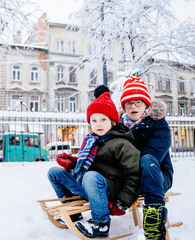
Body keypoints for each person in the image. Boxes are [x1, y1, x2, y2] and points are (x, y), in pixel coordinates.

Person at [47, 89, 140, 238]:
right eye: (94, 120)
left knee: (90, 177)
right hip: (90, 185)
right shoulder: (91, 141)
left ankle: (101, 224)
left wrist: (122, 202)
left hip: (110, 191)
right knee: (54, 172)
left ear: (113, 121)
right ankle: (74, 214)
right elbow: (87, 166)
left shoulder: (122, 144)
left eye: (103, 119)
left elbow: (134, 174)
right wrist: (73, 163)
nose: (98, 124)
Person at [120, 76, 174, 240]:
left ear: (145, 104)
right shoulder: (120, 127)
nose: (133, 106)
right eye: (128, 103)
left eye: (138, 102)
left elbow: (153, 154)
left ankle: (154, 226)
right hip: (131, 179)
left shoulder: (158, 124)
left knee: (147, 160)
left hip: (157, 176)